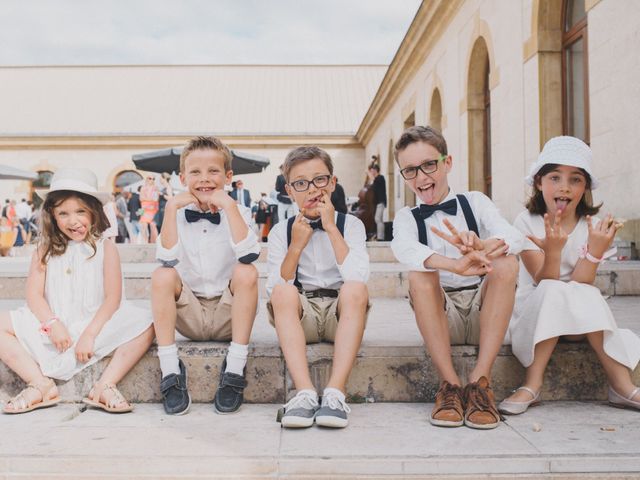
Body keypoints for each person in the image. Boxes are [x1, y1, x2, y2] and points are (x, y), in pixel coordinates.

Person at [391, 126, 523, 429]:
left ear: (447, 163)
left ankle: (480, 383)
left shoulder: (475, 201)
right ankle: (450, 386)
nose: (422, 178)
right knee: (420, 273)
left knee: (506, 262)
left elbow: (513, 234)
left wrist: (486, 246)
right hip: (440, 317)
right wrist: (453, 264)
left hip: (485, 312)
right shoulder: (407, 217)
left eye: (429, 165)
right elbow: (404, 248)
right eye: (410, 171)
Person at [499, 136, 640, 415]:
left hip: (578, 324)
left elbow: (582, 281)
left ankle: (621, 384)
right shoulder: (526, 222)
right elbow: (543, 280)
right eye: (555, 177)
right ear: (539, 183)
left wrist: (595, 252)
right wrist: (553, 251)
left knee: (585, 291)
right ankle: (532, 383)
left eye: (575, 179)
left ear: (585, 187)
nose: (564, 187)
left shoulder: (593, 226)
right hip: (536, 316)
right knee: (553, 288)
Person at [0, 168, 154, 414]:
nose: (73, 221)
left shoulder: (106, 248)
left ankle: (104, 385)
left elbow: (113, 298)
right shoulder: (44, 249)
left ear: (94, 211)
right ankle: (39, 384)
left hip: (95, 323)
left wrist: (90, 334)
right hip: (54, 326)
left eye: (80, 211)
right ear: (52, 215)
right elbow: (34, 295)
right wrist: (52, 323)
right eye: (63, 213)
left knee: (148, 322)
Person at [151, 136, 260, 415]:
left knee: (246, 271)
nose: (205, 179)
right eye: (195, 172)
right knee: (162, 275)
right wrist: (172, 208)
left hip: (228, 315)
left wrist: (230, 207)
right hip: (190, 312)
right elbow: (166, 257)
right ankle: (170, 370)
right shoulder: (175, 212)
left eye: (213, 171)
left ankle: (235, 367)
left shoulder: (242, 211)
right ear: (183, 176)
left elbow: (248, 254)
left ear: (228, 176)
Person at [267, 146, 370, 429]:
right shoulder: (281, 231)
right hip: (303, 315)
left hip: (342, 313)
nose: (312, 189)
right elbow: (275, 288)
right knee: (282, 291)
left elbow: (357, 277)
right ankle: (305, 393)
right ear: (290, 190)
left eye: (319, 180)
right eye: (301, 183)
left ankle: (335, 393)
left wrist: (332, 228)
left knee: (355, 289)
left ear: (332, 182)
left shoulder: (352, 226)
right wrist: (296, 246)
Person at [368, 163, 387, 240]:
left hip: (381, 202)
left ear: (376, 170)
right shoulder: (376, 180)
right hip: (377, 202)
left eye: (372, 171)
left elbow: (375, 183)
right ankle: (379, 236)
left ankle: (380, 237)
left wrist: (370, 176)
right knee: (379, 219)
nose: (371, 172)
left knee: (378, 219)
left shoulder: (380, 178)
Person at [139, 175, 160, 243]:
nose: (152, 180)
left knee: (153, 226)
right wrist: (149, 199)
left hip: (153, 209)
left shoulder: (156, 188)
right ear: (147, 179)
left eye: (154, 178)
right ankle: (145, 241)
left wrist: (148, 199)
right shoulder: (143, 188)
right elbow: (141, 198)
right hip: (145, 209)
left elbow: (156, 199)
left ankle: (154, 242)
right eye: (150, 178)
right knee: (144, 226)